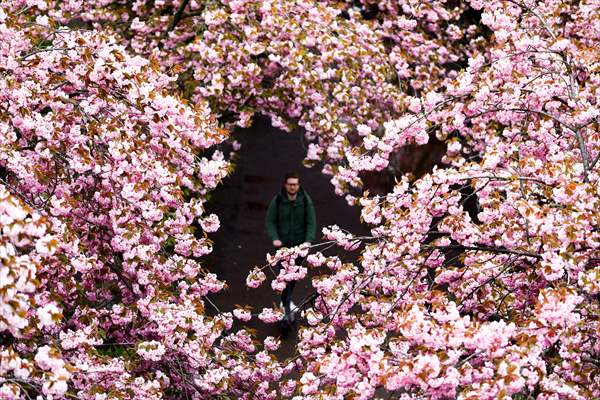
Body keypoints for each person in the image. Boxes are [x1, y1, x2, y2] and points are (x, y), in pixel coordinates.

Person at [265, 172, 316, 322]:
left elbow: (311, 222)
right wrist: (275, 238)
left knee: (294, 277)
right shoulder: (278, 200)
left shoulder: (305, 201)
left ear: (298, 185)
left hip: (299, 247)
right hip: (282, 247)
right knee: (283, 276)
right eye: (290, 184)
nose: (292, 187)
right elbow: (270, 221)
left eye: (295, 184)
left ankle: (286, 302)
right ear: (285, 185)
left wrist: (308, 241)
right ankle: (286, 304)